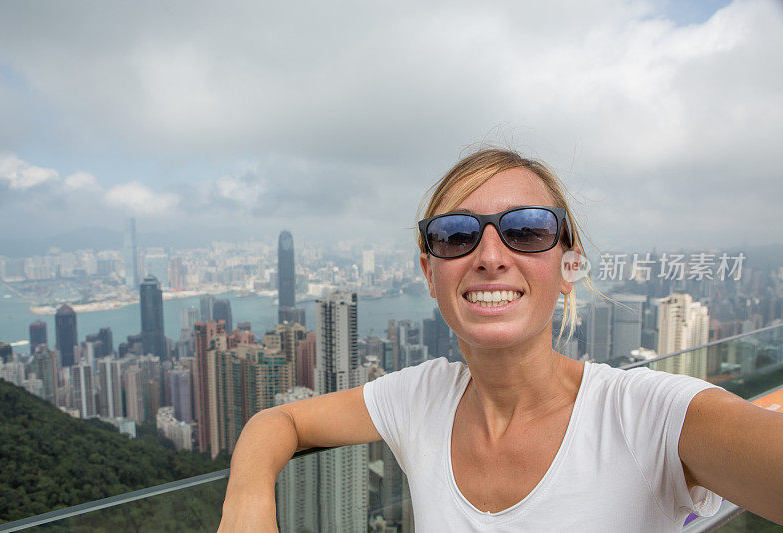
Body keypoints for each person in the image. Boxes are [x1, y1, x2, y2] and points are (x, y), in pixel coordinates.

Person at [219, 148, 783, 532]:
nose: (490, 256)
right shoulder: (419, 399)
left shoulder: (647, 416)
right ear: (429, 272)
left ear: (568, 267)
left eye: (527, 230)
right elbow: (280, 421)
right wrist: (248, 501)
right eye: (455, 235)